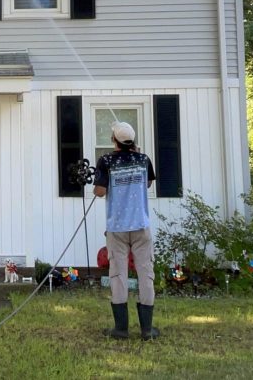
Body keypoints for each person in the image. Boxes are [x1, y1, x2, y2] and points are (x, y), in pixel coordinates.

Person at [93, 121, 160, 341]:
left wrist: (97, 183)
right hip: (141, 225)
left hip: (117, 227)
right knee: (145, 273)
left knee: (118, 274)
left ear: (114, 140)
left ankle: (121, 329)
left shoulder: (106, 161)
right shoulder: (143, 160)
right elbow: (148, 183)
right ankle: (147, 330)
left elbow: (100, 192)